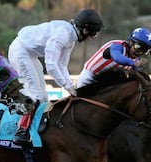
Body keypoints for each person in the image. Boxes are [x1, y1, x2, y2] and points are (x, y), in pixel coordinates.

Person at [8, 9, 103, 144]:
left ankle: (33, 128)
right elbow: (51, 66)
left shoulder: (70, 39)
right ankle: (21, 131)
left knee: (44, 97)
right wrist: (68, 87)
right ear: (85, 30)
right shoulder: (63, 35)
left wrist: (72, 86)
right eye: (93, 33)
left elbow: (62, 66)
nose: (92, 37)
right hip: (20, 51)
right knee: (36, 94)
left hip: (30, 54)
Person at [77, 27, 151, 88]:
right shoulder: (117, 45)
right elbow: (117, 57)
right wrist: (134, 63)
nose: (140, 53)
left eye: (144, 51)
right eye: (138, 47)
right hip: (89, 77)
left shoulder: (133, 61)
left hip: (103, 84)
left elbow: (139, 76)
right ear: (130, 42)